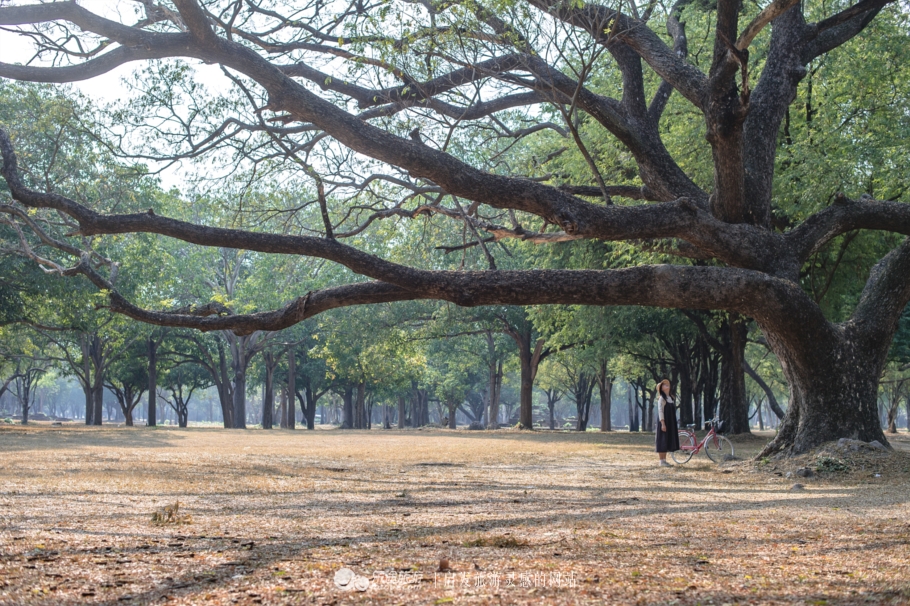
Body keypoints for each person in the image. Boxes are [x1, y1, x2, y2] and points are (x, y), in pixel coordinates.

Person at [655, 379, 680, 467]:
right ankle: (661, 461)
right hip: (664, 421)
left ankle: (664, 460)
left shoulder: (670, 398)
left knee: (666, 440)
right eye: (664, 385)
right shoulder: (662, 398)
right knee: (662, 440)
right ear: (661, 388)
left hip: (670, 422)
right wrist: (663, 423)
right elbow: (660, 411)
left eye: (667, 384)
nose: (667, 385)